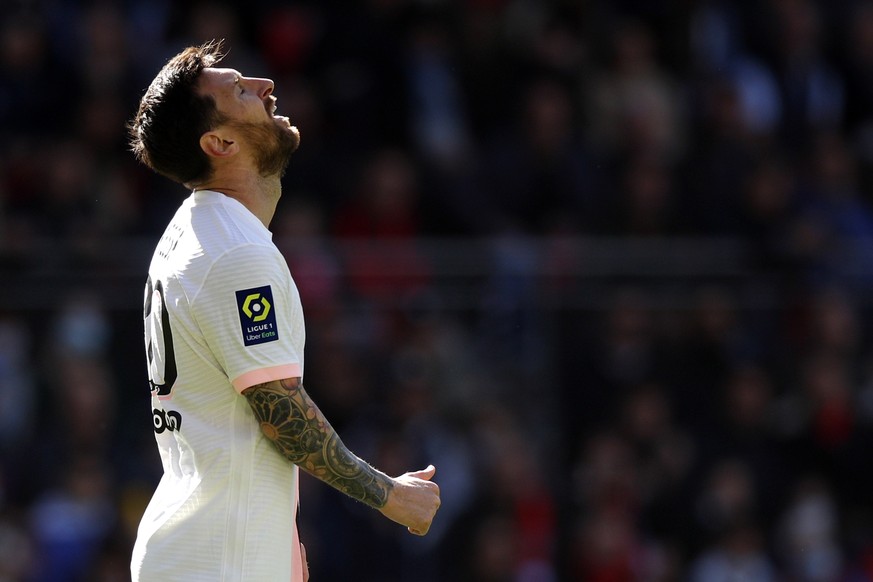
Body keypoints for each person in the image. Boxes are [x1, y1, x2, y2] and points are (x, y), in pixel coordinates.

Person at [127, 40, 441, 582]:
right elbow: (280, 417)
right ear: (220, 142)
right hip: (220, 563)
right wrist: (393, 496)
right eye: (240, 90)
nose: (265, 86)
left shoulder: (195, 232)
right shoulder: (236, 253)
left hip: (206, 555)